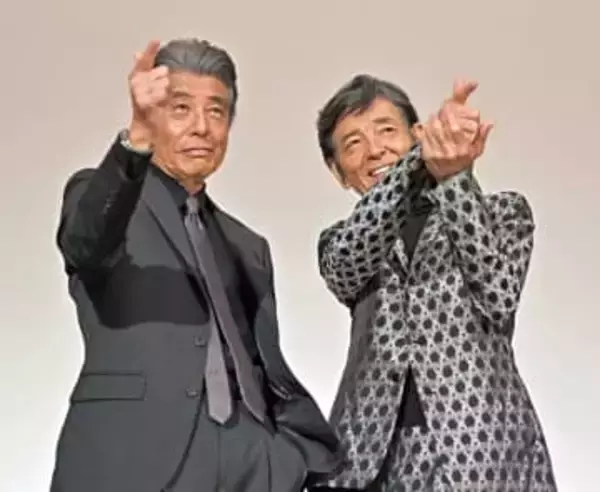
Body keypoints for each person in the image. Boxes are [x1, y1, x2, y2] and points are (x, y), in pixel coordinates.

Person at [50, 38, 339, 492]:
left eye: (216, 111)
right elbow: (84, 242)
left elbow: (264, 364)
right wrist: (136, 139)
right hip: (133, 460)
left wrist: (284, 457)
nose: (201, 127)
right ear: (153, 115)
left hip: (252, 465)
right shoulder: (104, 196)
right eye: (181, 108)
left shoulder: (248, 246)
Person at [309, 75, 556, 491]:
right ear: (339, 173)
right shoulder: (339, 241)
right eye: (353, 143)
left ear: (414, 133)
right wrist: (418, 159)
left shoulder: (504, 213)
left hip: (482, 452)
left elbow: (497, 296)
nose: (375, 149)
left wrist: (453, 178)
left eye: (387, 130)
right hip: (368, 461)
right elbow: (347, 266)